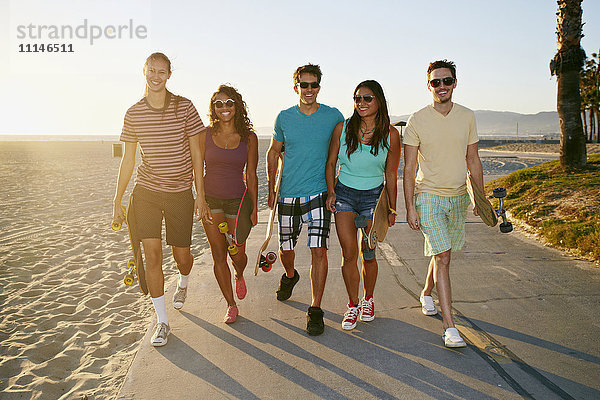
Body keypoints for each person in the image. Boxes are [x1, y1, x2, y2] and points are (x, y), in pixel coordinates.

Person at [112, 52, 206, 347]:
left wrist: (200, 195)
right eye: (151, 70)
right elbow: (128, 161)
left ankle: (184, 281)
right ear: (144, 71)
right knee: (151, 255)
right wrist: (118, 200)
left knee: (182, 257)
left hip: (179, 192)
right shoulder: (133, 113)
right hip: (147, 192)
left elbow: (197, 155)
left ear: (169, 74)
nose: (155, 76)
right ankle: (162, 322)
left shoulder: (185, 107)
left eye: (161, 71)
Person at [403, 60, 483, 348]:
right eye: (435, 82)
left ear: (455, 83)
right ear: (428, 85)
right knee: (444, 257)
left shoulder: (468, 117)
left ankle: (426, 292)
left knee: (442, 253)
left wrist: (480, 197)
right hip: (428, 196)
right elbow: (409, 168)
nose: (441, 86)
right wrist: (410, 206)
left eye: (446, 81)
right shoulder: (417, 120)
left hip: (459, 195)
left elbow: (472, 159)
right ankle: (450, 327)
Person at [266, 63, 344, 335]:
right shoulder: (284, 117)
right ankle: (290, 275)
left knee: (318, 250)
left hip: (319, 193)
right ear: (296, 87)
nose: (308, 89)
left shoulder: (334, 116)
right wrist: (270, 189)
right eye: (303, 84)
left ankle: (315, 309)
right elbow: (273, 152)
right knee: (286, 249)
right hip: (287, 194)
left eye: (313, 85)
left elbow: (344, 147)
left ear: (319, 87)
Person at [325, 80, 401, 330]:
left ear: (379, 101)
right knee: (348, 254)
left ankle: (368, 300)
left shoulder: (391, 134)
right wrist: (332, 192)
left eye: (367, 98)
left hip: (374, 198)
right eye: (357, 98)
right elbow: (331, 163)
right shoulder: (342, 128)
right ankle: (353, 304)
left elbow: (391, 174)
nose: (361, 103)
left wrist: (391, 208)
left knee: (368, 253)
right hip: (345, 194)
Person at [198, 85, 258, 324]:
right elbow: (196, 169)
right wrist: (199, 198)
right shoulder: (204, 134)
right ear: (213, 108)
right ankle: (231, 304)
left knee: (238, 254)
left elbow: (251, 174)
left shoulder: (249, 137)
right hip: (211, 199)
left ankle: (239, 273)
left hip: (237, 199)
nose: (224, 108)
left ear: (237, 106)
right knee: (219, 253)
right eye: (219, 104)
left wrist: (253, 208)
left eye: (229, 103)